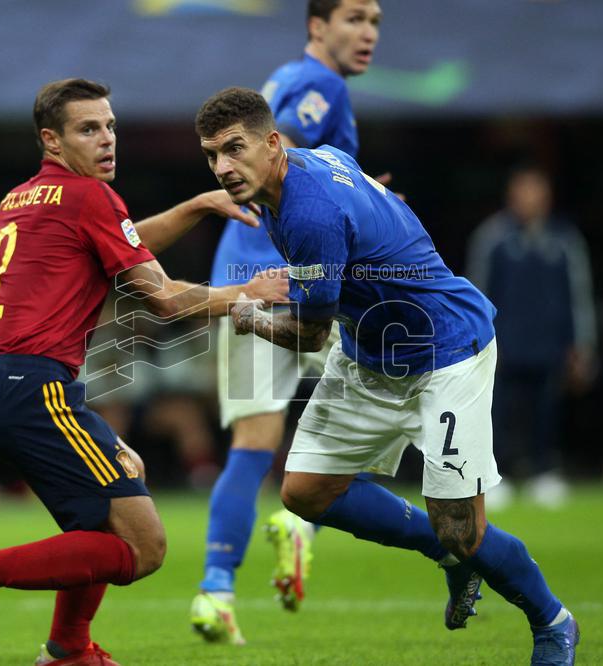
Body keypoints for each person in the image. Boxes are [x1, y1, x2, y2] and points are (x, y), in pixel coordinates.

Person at [0, 78, 286, 666]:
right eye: (89, 129)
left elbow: (119, 241)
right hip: (34, 387)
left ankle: (68, 650)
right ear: (51, 141)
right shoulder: (89, 198)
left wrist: (194, 206)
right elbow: (162, 298)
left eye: (110, 126)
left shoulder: (21, 199)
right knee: (144, 546)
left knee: (103, 518)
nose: (107, 139)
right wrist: (248, 292)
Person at [195, 87, 579, 665]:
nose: (223, 168)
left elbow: (309, 334)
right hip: (372, 351)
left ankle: (553, 621)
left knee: (466, 529)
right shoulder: (311, 162)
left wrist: (244, 312)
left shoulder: (307, 213)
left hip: (445, 349)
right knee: (304, 490)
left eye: (234, 149)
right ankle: (447, 554)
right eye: (211, 156)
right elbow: (372, 198)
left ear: (272, 142)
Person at [193, 0, 388, 643]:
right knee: (380, 418)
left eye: (375, 21)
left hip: (243, 278)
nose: (367, 33)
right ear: (317, 26)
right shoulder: (319, 84)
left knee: (252, 444)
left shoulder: (281, 80)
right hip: (297, 276)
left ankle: (215, 593)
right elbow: (285, 170)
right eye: (354, 18)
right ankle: (302, 526)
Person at [466, 165, 596, 508]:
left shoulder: (565, 240)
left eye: (536, 190)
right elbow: (475, 292)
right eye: (524, 190)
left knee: (546, 412)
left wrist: (582, 345)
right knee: (498, 412)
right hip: (502, 346)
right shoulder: (492, 238)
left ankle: (544, 472)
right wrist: (477, 342)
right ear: (511, 195)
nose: (530, 198)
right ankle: (495, 475)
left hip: (549, 345)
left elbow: (579, 295)